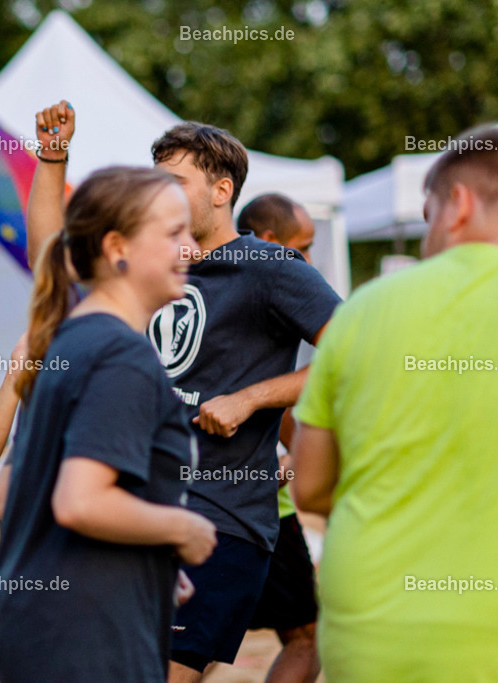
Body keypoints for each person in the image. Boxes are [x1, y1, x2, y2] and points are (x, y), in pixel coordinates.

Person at [25, 101, 340, 681]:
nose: (159, 196)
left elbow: (355, 353)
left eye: (174, 184)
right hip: (128, 509)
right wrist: (52, 157)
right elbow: (50, 254)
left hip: (219, 520)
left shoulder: (269, 268)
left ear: (222, 191)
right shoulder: (148, 260)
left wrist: (251, 398)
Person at [0, 166, 217, 682]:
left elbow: (11, 497)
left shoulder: (70, 341)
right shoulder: (121, 355)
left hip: (40, 625)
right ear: (118, 247)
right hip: (83, 635)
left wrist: (149, 553)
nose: (191, 250)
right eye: (174, 234)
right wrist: (183, 528)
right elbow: (80, 501)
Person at [292, 124, 498, 680]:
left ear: (456, 205)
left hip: (376, 625)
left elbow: (309, 485)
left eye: (428, 216)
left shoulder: (364, 309)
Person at [238, 194, 321, 683]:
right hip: (265, 509)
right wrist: (292, 461)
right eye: (303, 247)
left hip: (205, 499)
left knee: (196, 639)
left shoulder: (208, 288)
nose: (308, 262)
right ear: (270, 244)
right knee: (307, 637)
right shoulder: (276, 292)